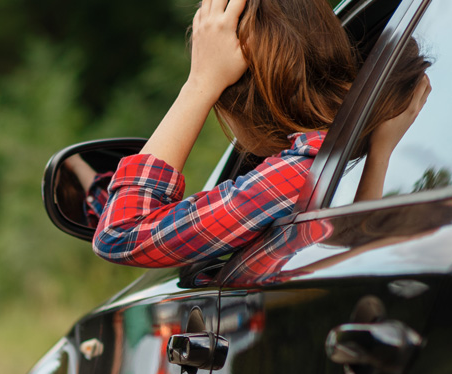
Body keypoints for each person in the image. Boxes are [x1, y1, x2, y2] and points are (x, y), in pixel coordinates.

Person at [93, 0, 431, 268]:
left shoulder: (296, 176)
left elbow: (121, 232)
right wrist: (380, 154)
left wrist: (200, 83)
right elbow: (358, 254)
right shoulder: (334, 161)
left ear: (237, 101)